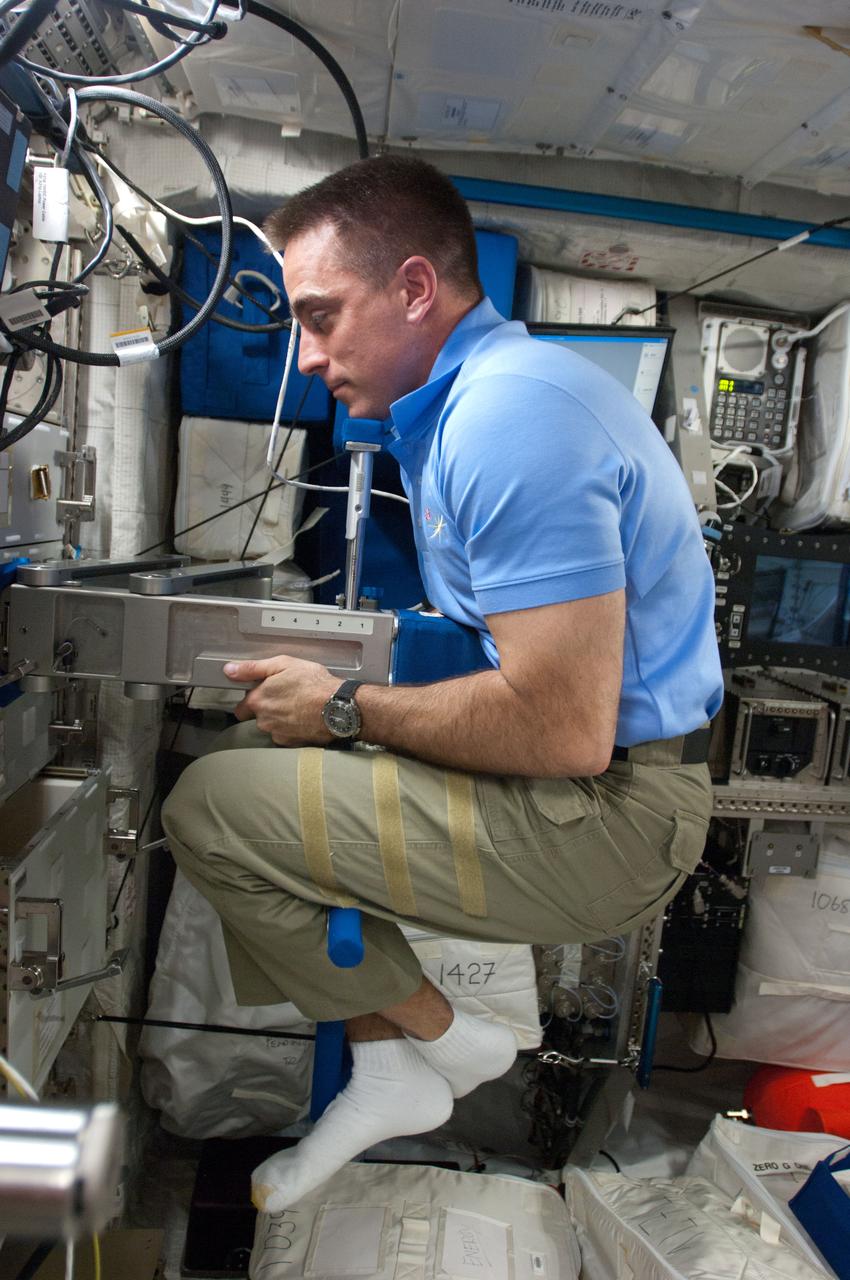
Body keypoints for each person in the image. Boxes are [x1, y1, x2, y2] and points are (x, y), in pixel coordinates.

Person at [162, 154, 723, 1210]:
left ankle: (441, 1039)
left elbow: (561, 730)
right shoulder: (480, 402)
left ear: (415, 288)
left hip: (613, 818)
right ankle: (388, 1070)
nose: (306, 356)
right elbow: (496, 651)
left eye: (321, 316)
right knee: (252, 756)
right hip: (595, 785)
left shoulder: (510, 419)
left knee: (209, 807)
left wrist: (343, 707)